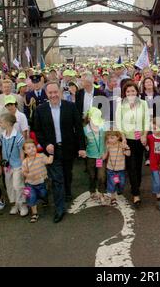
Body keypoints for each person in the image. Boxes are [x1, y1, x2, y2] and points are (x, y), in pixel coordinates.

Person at [34, 81, 86, 223]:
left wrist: (81, 147)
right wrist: (46, 145)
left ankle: (68, 191)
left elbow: (79, 128)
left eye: (55, 92)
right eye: (50, 93)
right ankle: (59, 208)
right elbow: (38, 131)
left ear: (60, 92)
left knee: (67, 173)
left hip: (68, 148)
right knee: (57, 179)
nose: (53, 95)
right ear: (46, 94)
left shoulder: (70, 107)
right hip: (52, 151)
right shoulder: (40, 110)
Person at [115, 81, 149, 207]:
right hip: (127, 140)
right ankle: (136, 194)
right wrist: (123, 137)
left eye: (133, 91)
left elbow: (147, 120)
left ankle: (136, 186)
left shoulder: (144, 103)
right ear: (125, 93)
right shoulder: (121, 105)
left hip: (140, 140)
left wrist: (145, 135)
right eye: (128, 91)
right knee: (131, 166)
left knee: (138, 166)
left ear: (137, 92)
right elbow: (119, 123)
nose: (131, 93)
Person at [0, 113, 27, 217]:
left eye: (1, 122)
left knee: (17, 185)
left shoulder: (19, 137)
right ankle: (15, 204)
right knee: (9, 186)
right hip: (7, 166)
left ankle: (22, 204)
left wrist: (23, 165)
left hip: (17, 165)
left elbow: (22, 152)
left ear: (8, 123)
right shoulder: (2, 135)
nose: (0, 124)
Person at [22, 139, 53, 223]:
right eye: (28, 148)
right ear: (25, 151)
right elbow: (24, 172)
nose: (32, 149)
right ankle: (34, 213)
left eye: (33, 147)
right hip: (30, 184)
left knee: (43, 193)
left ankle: (44, 199)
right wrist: (28, 175)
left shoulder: (41, 156)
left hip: (42, 182)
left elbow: (49, 161)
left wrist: (51, 154)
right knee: (31, 197)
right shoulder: (25, 161)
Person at [83, 107, 107, 202]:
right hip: (90, 157)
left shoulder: (103, 127)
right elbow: (82, 143)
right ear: (89, 118)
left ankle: (101, 193)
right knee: (92, 175)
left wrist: (105, 152)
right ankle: (92, 190)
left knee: (101, 176)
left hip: (100, 157)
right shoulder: (85, 129)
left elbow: (107, 141)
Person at [103, 130, 131, 207]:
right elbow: (105, 155)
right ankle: (113, 198)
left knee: (121, 183)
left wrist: (127, 149)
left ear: (118, 137)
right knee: (112, 183)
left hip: (121, 169)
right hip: (111, 168)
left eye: (112, 138)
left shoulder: (122, 145)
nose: (110, 140)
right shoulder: (108, 145)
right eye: (108, 138)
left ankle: (119, 189)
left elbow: (128, 154)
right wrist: (99, 160)